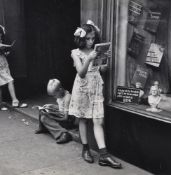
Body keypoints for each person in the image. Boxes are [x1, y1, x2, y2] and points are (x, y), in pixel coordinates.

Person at [69, 20, 122, 168]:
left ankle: (104, 155)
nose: (91, 41)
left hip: (96, 87)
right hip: (82, 88)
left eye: (93, 38)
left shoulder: (95, 51)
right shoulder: (75, 53)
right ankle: (85, 149)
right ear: (81, 38)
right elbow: (81, 73)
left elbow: (103, 70)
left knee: (98, 120)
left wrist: (104, 60)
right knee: (83, 119)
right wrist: (90, 59)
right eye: (87, 38)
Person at [0, 22, 27, 110]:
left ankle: (13, 101)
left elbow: (3, 53)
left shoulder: (1, 42)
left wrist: (6, 52)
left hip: (3, 62)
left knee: (9, 80)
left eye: (0, 36)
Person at [35, 79, 75, 144]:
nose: (54, 97)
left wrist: (51, 116)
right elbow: (61, 107)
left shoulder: (67, 98)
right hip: (62, 115)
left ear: (60, 89)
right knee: (42, 110)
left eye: (54, 95)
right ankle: (42, 128)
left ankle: (64, 134)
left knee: (44, 118)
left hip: (69, 120)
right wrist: (51, 106)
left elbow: (65, 118)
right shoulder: (60, 95)